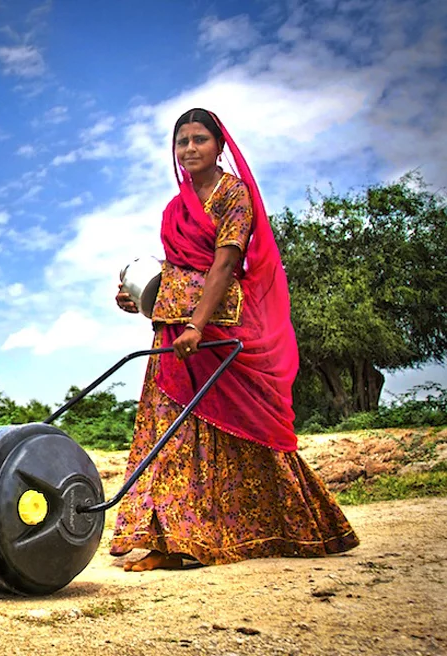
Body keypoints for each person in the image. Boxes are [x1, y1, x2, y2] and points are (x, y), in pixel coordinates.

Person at [112, 108, 359, 571]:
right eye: (182, 141)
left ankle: (289, 526)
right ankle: (174, 541)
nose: (190, 148)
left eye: (199, 139)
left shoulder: (234, 196)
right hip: (173, 334)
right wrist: (142, 297)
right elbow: (178, 270)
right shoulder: (174, 207)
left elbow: (224, 266)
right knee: (173, 433)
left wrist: (198, 325)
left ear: (220, 145)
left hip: (217, 332)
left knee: (243, 429)